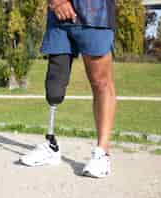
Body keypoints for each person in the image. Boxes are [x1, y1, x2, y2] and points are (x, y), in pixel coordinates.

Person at [20, 0, 116, 178]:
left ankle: (103, 153)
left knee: (100, 80)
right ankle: (51, 145)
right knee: (55, 82)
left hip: (94, 12)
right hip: (58, 15)